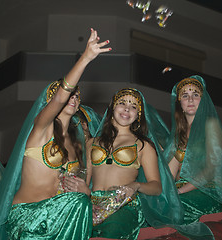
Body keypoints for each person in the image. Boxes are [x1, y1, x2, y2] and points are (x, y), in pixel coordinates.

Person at [0, 28, 110, 240]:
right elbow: (60, 97)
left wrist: (85, 190)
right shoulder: (42, 128)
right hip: (27, 216)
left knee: (81, 202)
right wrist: (86, 58)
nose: (73, 97)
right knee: (78, 204)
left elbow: (80, 192)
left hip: (56, 218)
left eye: (77, 95)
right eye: (70, 93)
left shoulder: (76, 143)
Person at [72, 88, 183, 240]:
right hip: (93, 203)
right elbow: (86, 178)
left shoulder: (143, 145)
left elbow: (156, 187)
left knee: (108, 234)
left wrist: (136, 186)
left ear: (138, 115)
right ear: (112, 108)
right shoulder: (92, 142)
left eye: (133, 106)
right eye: (122, 103)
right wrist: (84, 194)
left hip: (124, 205)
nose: (126, 108)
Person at [164, 75, 222, 223]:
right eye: (185, 96)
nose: (190, 100)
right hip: (179, 192)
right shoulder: (178, 134)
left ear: (203, 100)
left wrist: (179, 192)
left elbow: (211, 169)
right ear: (179, 103)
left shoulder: (211, 125)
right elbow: (169, 173)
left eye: (195, 95)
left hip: (206, 192)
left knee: (173, 208)